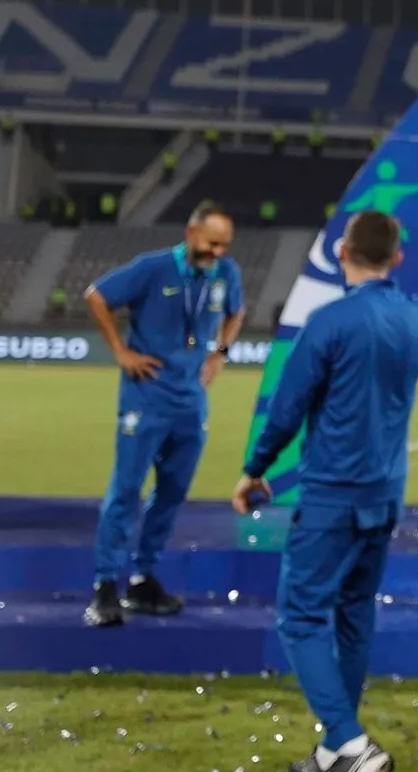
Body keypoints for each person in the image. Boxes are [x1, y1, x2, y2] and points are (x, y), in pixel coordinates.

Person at [234, 210, 418, 772]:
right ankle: (336, 750)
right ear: (397, 259)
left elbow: (287, 411)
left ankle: (350, 744)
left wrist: (255, 468)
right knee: (355, 612)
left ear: (341, 253)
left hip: (333, 493)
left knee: (301, 617)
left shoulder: (328, 321)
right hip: (384, 496)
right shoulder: (415, 318)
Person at [82, 201, 245, 627]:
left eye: (225, 245)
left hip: (190, 403)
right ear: (191, 233)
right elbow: (97, 296)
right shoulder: (152, 269)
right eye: (212, 244)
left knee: (171, 494)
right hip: (146, 399)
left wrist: (220, 354)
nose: (219, 253)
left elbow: (237, 311)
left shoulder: (226, 274)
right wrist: (121, 351)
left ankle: (142, 579)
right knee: (126, 491)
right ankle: (104, 587)